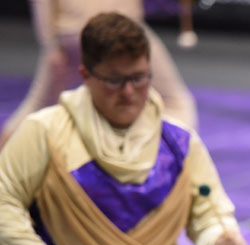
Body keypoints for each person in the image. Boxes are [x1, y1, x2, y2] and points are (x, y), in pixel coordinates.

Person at [0, 12, 245, 245]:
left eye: (138, 78)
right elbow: (5, 201)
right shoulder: (44, 132)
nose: (129, 92)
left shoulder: (179, 142)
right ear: (86, 76)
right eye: (115, 81)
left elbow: (207, 210)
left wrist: (219, 238)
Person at [0, 0, 197, 148]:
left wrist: (51, 45)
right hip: (101, 34)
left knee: (38, 106)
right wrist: (51, 46)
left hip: (82, 34)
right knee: (174, 100)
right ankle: (177, 155)